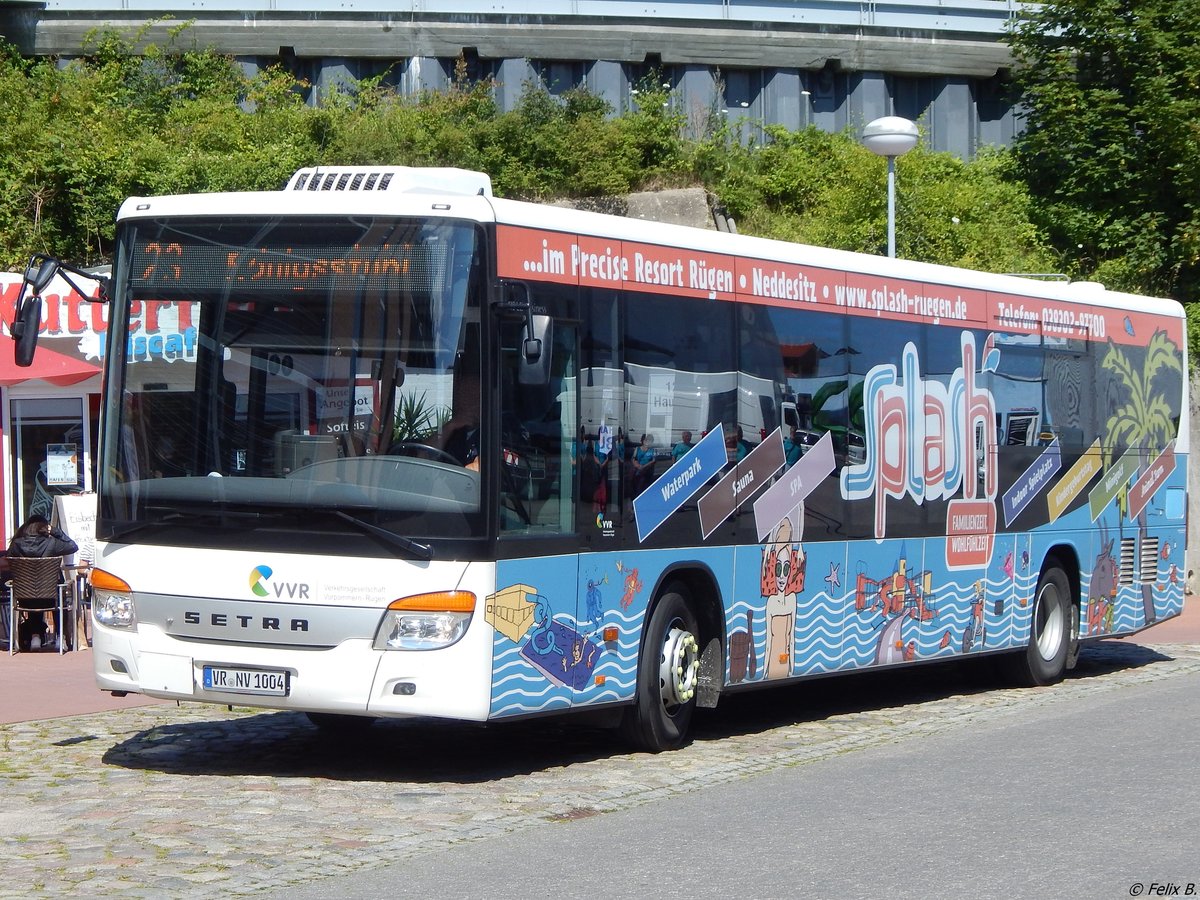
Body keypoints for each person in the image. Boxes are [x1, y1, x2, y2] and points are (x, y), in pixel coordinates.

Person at [8, 515, 78, 651]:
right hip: (52, 596)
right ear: (44, 528)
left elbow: (9, 558)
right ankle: (60, 637)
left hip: (25, 597)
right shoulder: (52, 543)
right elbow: (73, 546)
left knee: (33, 590)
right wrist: (55, 531)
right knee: (57, 591)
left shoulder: (17, 544)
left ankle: (35, 637)